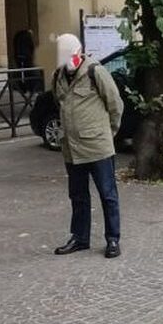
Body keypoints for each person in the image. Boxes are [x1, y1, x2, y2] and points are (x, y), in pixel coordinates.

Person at [51, 33, 125, 259]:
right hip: (72, 148)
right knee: (78, 195)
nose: (67, 60)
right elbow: (60, 103)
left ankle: (113, 239)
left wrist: (108, 133)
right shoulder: (58, 76)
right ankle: (79, 238)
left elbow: (115, 104)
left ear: (80, 51)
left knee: (107, 194)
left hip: (98, 145)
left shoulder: (95, 71)